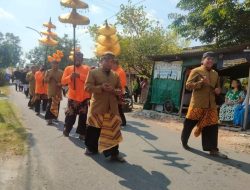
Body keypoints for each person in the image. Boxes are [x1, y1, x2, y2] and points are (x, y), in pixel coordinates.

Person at [181, 52, 227, 159]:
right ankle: (184, 141)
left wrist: (218, 90)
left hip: (211, 105)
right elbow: (188, 86)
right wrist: (201, 82)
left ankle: (213, 149)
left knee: (212, 126)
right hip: (197, 104)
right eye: (208, 58)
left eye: (212, 59)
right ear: (203, 60)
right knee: (189, 125)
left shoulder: (216, 74)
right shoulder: (196, 71)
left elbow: (218, 88)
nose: (210, 60)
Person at [84, 52, 125, 162]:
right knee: (94, 129)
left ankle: (113, 154)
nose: (108, 63)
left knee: (112, 130)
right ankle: (91, 148)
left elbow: (120, 90)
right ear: (101, 61)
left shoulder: (115, 75)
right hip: (98, 106)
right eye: (106, 60)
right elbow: (87, 87)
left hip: (112, 107)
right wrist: (101, 87)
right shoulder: (93, 72)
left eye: (111, 61)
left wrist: (114, 90)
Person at [61, 51, 90, 139]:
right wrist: (70, 77)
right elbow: (63, 81)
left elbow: (89, 80)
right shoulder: (68, 68)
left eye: (80, 58)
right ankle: (67, 129)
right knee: (70, 115)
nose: (78, 60)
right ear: (73, 59)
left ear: (82, 59)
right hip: (72, 96)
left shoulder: (87, 68)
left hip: (84, 96)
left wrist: (79, 75)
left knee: (83, 116)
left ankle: (82, 133)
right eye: (76, 58)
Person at [44, 50, 64, 125]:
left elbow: (64, 82)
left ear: (58, 64)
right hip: (50, 91)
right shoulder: (48, 72)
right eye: (53, 64)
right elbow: (45, 81)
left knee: (57, 105)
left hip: (58, 91)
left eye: (56, 64)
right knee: (50, 105)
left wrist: (60, 84)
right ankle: (49, 119)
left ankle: (55, 117)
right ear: (51, 64)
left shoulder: (61, 72)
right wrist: (49, 77)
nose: (55, 65)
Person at [112, 59, 127, 126]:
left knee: (118, 107)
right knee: (117, 107)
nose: (111, 66)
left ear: (116, 64)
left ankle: (123, 121)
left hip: (119, 92)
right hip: (116, 91)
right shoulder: (115, 71)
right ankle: (120, 121)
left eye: (113, 64)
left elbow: (122, 83)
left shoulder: (120, 71)